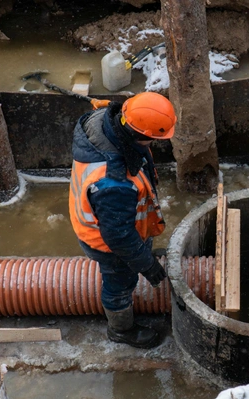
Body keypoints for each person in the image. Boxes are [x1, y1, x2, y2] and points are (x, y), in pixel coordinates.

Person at [68, 92, 177, 349]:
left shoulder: (108, 123)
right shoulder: (113, 181)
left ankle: (139, 255)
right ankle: (121, 329)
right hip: (107, 243)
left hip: (108, 219)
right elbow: (118, 236)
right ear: (144, 136)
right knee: (120, 282)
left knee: (132, 259)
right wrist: (145, 264)